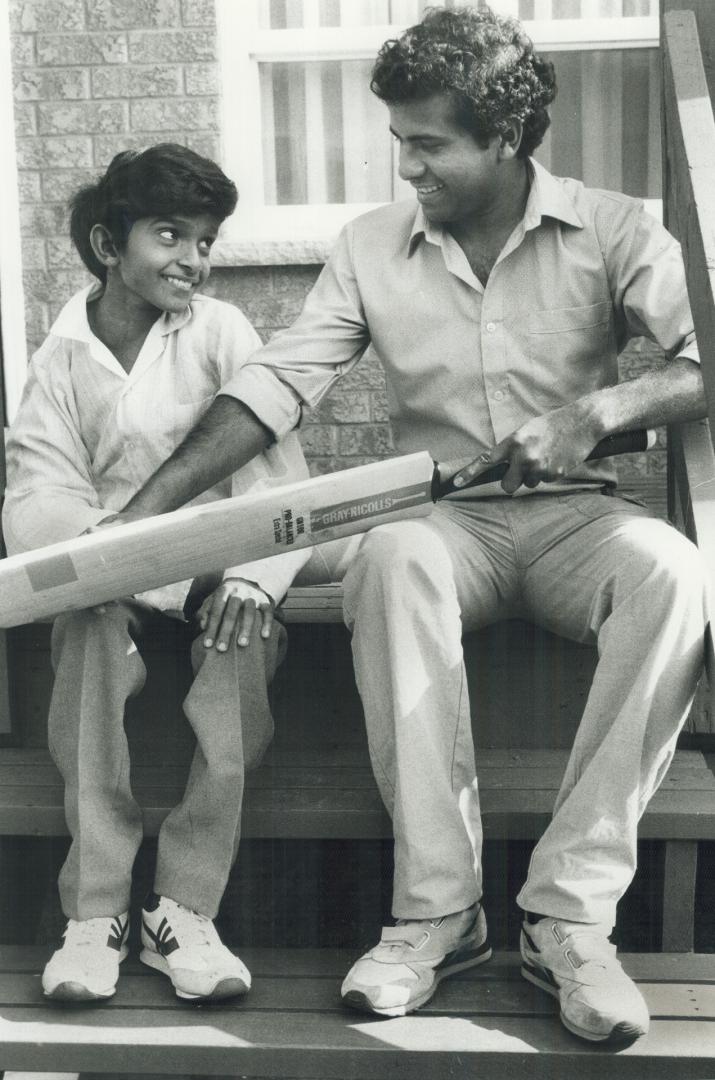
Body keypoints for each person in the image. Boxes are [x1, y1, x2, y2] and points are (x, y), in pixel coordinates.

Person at [95, 8, 708, 1044]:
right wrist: (135, 523)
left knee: (677, 575)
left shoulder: (614, 226)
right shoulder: (370, 246)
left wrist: (597, 411)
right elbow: (276, 388)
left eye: (427, 143)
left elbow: (701, 360)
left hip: (577, 526)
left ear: (504, 139)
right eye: (397, 140)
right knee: (390, 557)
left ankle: (568, 915)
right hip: (449, 522)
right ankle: (436, 911)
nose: (405, 164)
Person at [2, 144, 311, 1004]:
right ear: (108, 245)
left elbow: (280, 482)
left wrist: (254, 575)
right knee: (90, 629)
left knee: (244, 637)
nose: (193, 261)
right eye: (169, 235)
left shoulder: (220, 332)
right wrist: (108, 557)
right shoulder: (60, 357)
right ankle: (95, 911)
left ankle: (182, 909)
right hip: (110, 582)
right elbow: (34, 498)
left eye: (206, 240)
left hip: (216, 568)